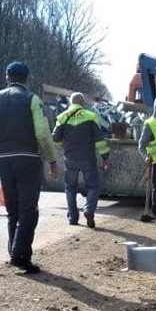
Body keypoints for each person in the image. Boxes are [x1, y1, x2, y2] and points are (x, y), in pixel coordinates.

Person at [0, 61, 59, 274]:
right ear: (26, 79)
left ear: (7, 77)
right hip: (28, 159)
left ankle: (19, 255)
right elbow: (43, 133)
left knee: (13, 211)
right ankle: (19, 254)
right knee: (28, 210)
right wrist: (53, 160)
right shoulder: (31, 99)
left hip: (5, 160)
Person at [52, 92, 110, 228]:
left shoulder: (62, 117)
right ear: (83, 103)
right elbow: (99, 140)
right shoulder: (90, 116)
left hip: (70, 158)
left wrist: (63, 146)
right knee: (92, 186)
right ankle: (89, 210)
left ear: (71, 103)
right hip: (88, 158)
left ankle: (73, 218)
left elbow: (55, 138)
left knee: (70, 188)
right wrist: (105, 157)